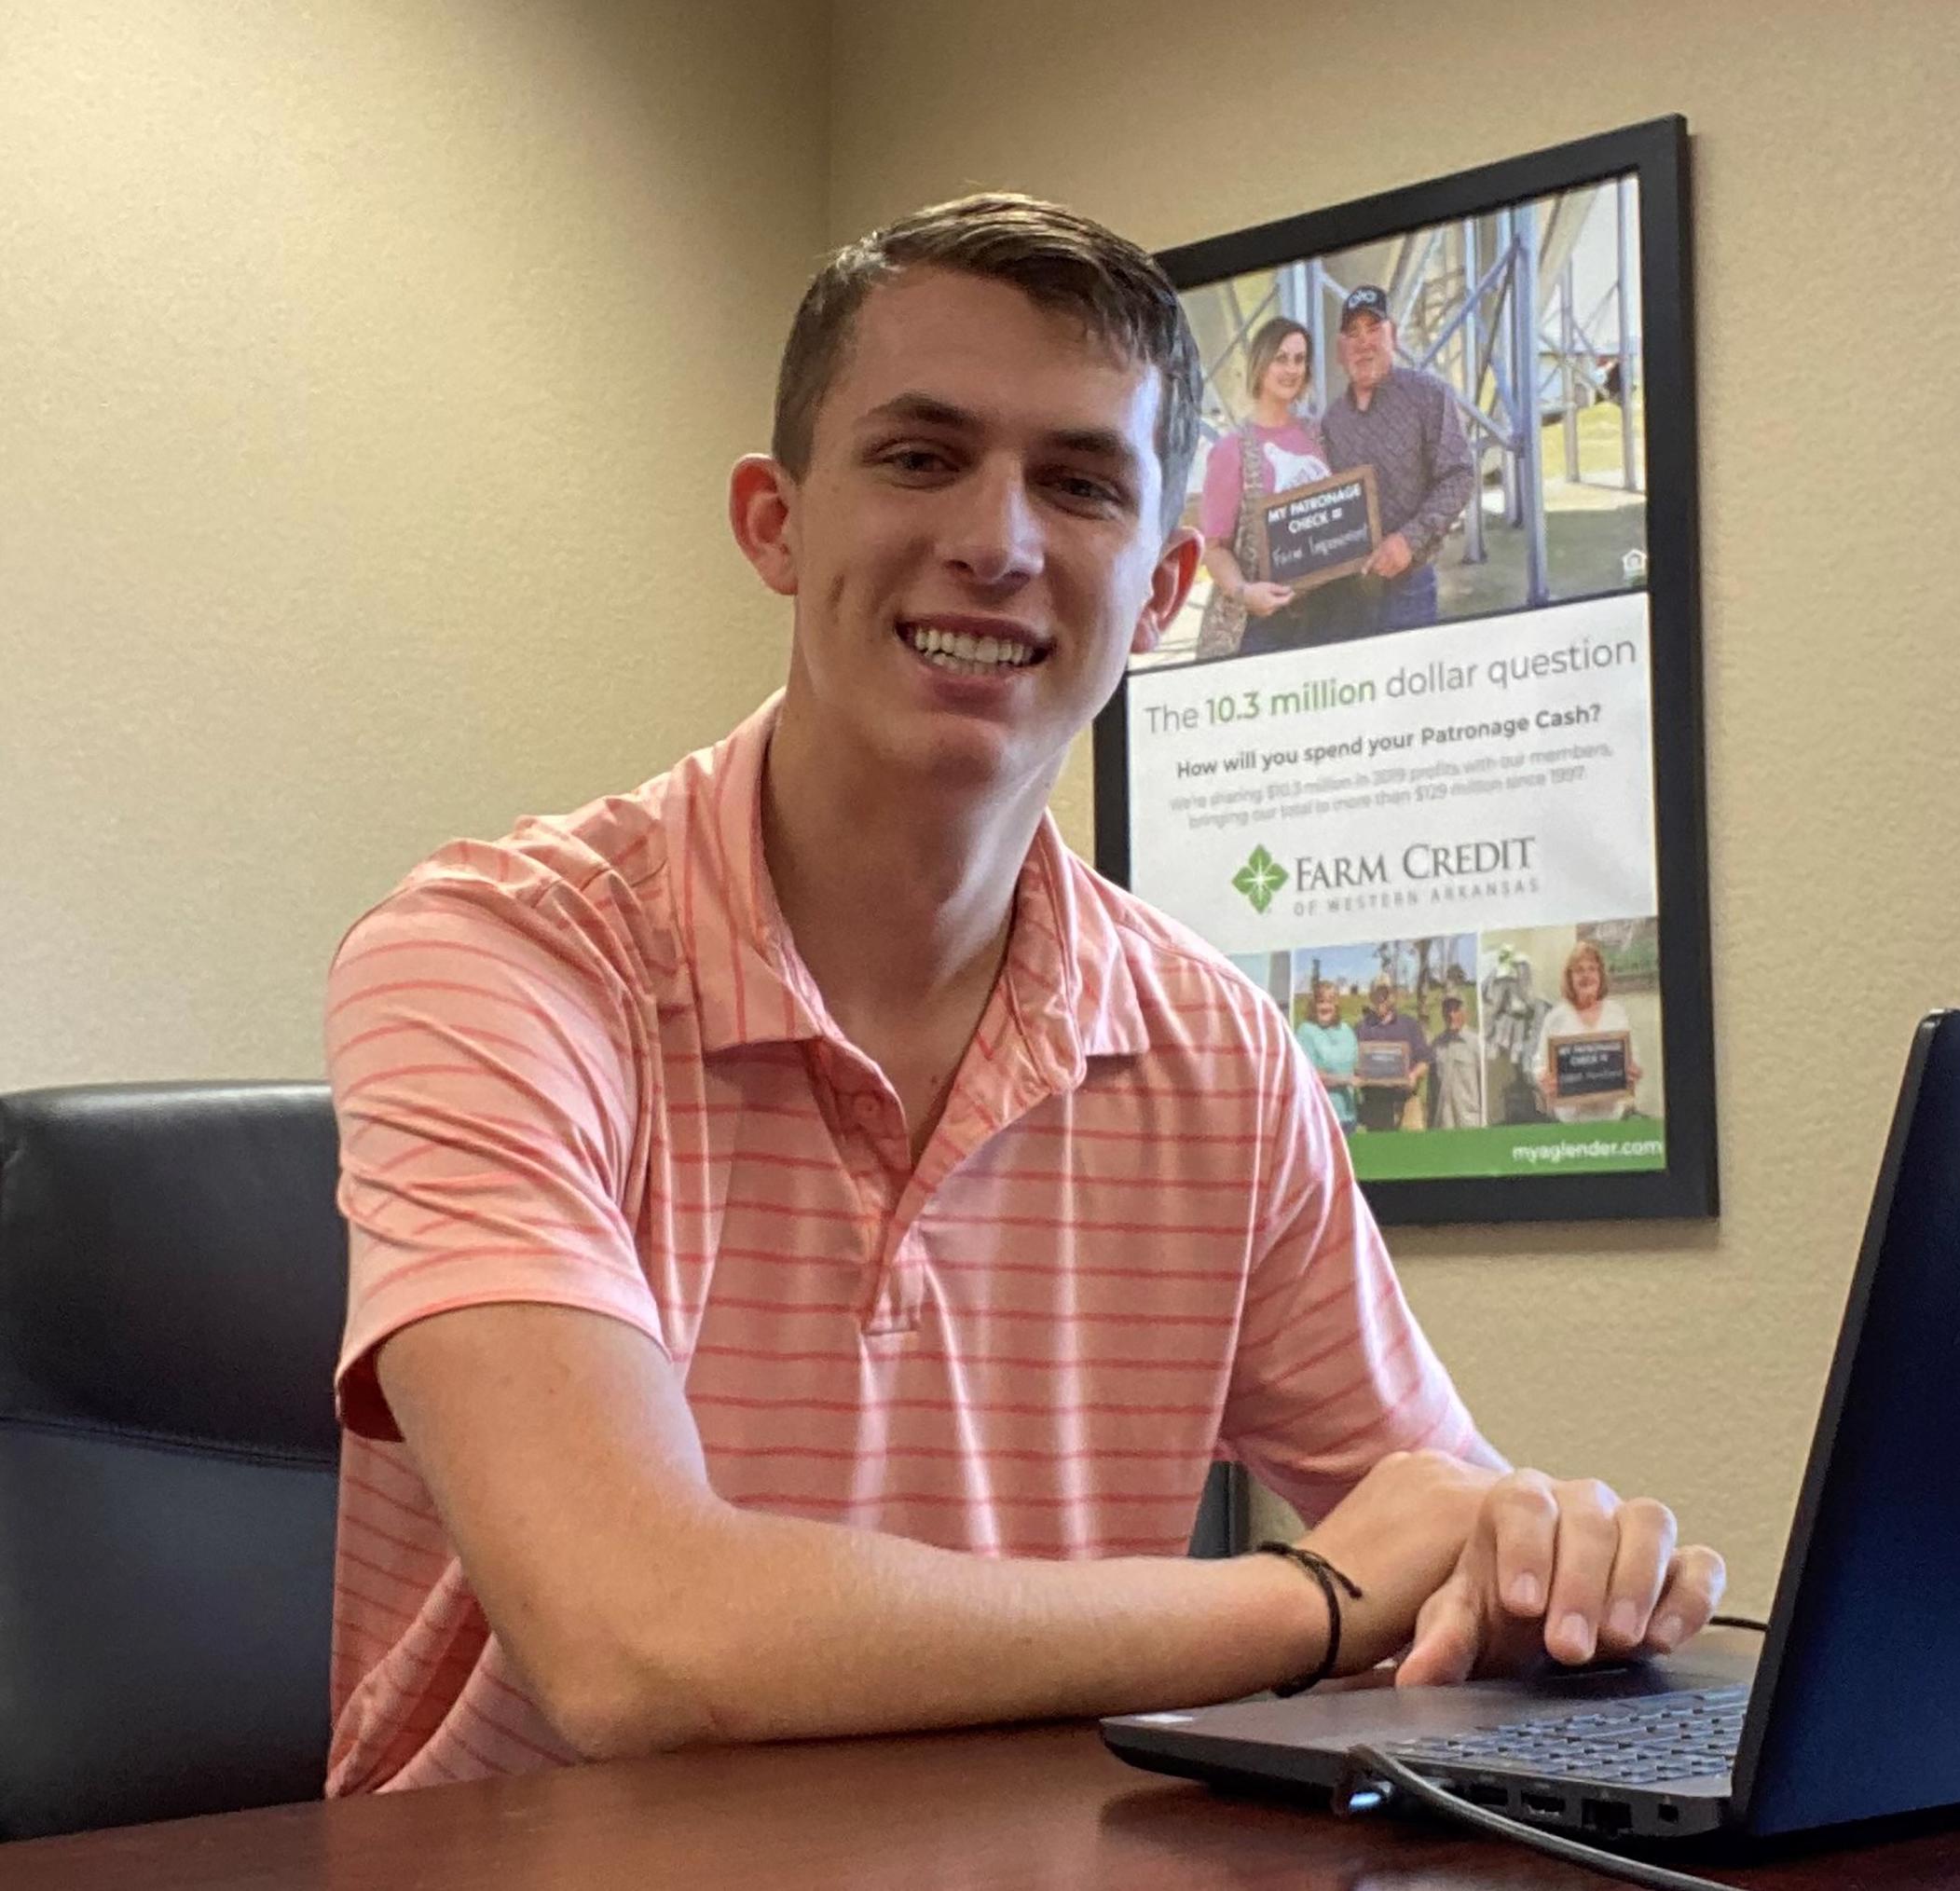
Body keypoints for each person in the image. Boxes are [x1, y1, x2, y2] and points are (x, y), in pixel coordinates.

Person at [321, 194, 1723, 1795]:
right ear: (775, 524)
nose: (997, 540)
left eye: (1077, 482)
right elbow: (638, 1637)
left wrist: (1553, 1567)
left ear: (1163, 583)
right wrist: (1308, 1598)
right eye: (920, 457)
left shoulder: (1216, 1051)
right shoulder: (500, 959)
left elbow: (1437, 1533)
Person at [1319, 284, 1476, 636]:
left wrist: (1408, 540)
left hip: (1411, 588)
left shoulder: (1429, 396)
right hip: (1348, 594)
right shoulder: (1331, 422)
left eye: (1374, 329)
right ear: (1340, 350)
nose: (1364, 342)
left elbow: (1460, 476)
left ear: (1394, 335)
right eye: (1353, 333)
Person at [1193, 316, 1332, 659]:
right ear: (1261, 363)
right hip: (1260, 627)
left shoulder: (1319, 435)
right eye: (1281, 358)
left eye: (1299, 359)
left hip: (1324, 616)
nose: (1291, 369)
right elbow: (1215, 547)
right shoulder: (1231, 450)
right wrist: (1244, 592)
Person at [1530, 938, 1644, 1123]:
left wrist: (1635, 1072)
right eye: (1579, 970)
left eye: (1592, 969)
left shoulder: (1617, 1013)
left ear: (1600, 975)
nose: (1586, 976)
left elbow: (1634, 1059)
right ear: (1570, 977)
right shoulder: (1556, 1017)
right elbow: (1539, 1064)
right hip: (1571, 1122)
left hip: (1612, 1117)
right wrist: (1544, 1078)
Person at [1352, 977, 1432, 1133]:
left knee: (1412, 1151)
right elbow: (1352, 1063)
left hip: (1408, 1103)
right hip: (1375, 1104)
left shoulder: (1409, 1025)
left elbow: (1424, 1060)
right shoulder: (1361, 1028)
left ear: (1393, 996)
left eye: (1385, 993)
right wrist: (1357, 1075)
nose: (1381, 998)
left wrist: (1414, 1075)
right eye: (1377, 993)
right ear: (1371, 996)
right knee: (1381, 1153)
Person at [1291, 979, 1359, 1134]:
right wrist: (1345, 1080)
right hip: (1318, 1117)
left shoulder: (1346, 1030)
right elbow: (1309, 1076)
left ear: (1337, 1004)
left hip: (1348, 1116)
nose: (1325, 1006)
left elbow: (1356, 1065)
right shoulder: (1305, 1031)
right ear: (1314, 1005)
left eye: (1331, 1001)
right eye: (1321, 1001)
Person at [1427, 993, 1486, 1130]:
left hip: (1470, 1123)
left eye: (1456, 1010)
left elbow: (1485, 1087)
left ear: (1465, 1012)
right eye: (1447, 1010)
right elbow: (1432, 1090)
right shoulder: (1436, 1044)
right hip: (1444, 1124)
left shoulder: (1477, 1043)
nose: (1451, 1015)